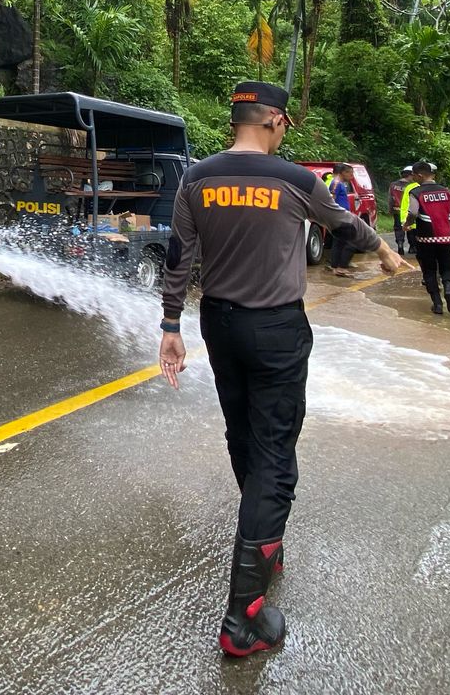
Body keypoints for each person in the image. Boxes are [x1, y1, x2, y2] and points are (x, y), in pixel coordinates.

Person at [157, 82, 406, 657]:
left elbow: (178, 255)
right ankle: (243, 620)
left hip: (218, 325)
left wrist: (171, 326)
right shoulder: (295, 180)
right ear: (274, 120)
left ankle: (262, 538)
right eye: (286, 122)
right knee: (275, 454)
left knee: (242, 434)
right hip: (276, 329)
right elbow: (345, 225)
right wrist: (387, 252)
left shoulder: (198, 176)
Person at [404, 160, 450, 314]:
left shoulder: (416, 192)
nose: (413, 178)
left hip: (425, 239)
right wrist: (448, 224)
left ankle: (437, 304)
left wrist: (407, 224)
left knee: (429, 271)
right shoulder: (447, 191)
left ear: (419, 175)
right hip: (447, 238)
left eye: (414, 175)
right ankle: (449, 291)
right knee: (448, 268)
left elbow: (414, 212)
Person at [327, 164, 355, 276]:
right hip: (339, 216)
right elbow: (331, 199)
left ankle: (336, 267)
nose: (352, 176)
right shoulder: (336, 183)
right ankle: (341, 267)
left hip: (342, 215)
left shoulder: (340, 183)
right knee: (352, 241)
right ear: (343, 172)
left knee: (339, 242)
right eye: (350, 173)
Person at [388, 165, 415, 258]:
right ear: (410, 175)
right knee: (410, 228)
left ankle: (400, 245)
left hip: (396, 210)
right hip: (409, 211)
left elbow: (390, 198)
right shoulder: (412, 186)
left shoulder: (393, 185)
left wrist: (390, 209)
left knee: (398, 228)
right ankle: (412, 247)